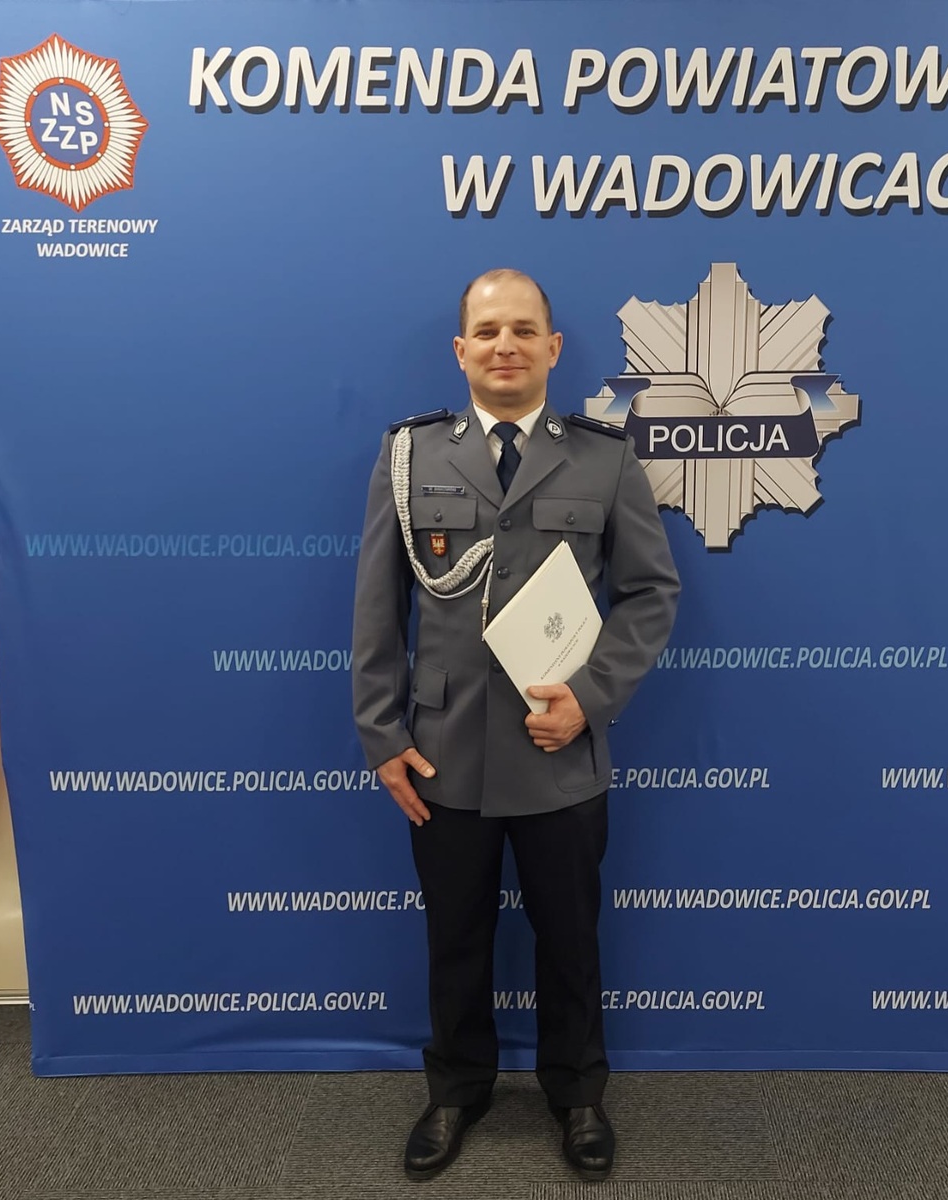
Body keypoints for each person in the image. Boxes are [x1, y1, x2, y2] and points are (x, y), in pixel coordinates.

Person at [352, 268, 679, 1182]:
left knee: (570, 938)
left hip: (559, 749)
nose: (506, 346)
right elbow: (377, 605)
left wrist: (591, 698)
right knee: (454, 936)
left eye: (524, 330)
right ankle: (457, 1090)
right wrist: (382, 733)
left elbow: (651, 594)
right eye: (489, 331)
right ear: (461, 350)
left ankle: (578, 1095)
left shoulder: (605, 459)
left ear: (553, 348)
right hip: (444, 750)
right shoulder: (409, 457)